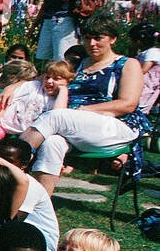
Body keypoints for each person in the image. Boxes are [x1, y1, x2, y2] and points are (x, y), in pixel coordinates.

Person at [21, 14, 148, 196]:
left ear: (113, 39)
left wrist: (84, 110)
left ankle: (10, 164)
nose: (92, 43)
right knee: (52, 143)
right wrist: (12, 87)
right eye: (87, 38)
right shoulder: (77, 64)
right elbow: (39, 80)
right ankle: (36, 208)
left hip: (112, 127)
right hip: (73, 127)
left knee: (56, 116)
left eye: (98, 38)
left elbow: (128, 104)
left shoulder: (127, 64)